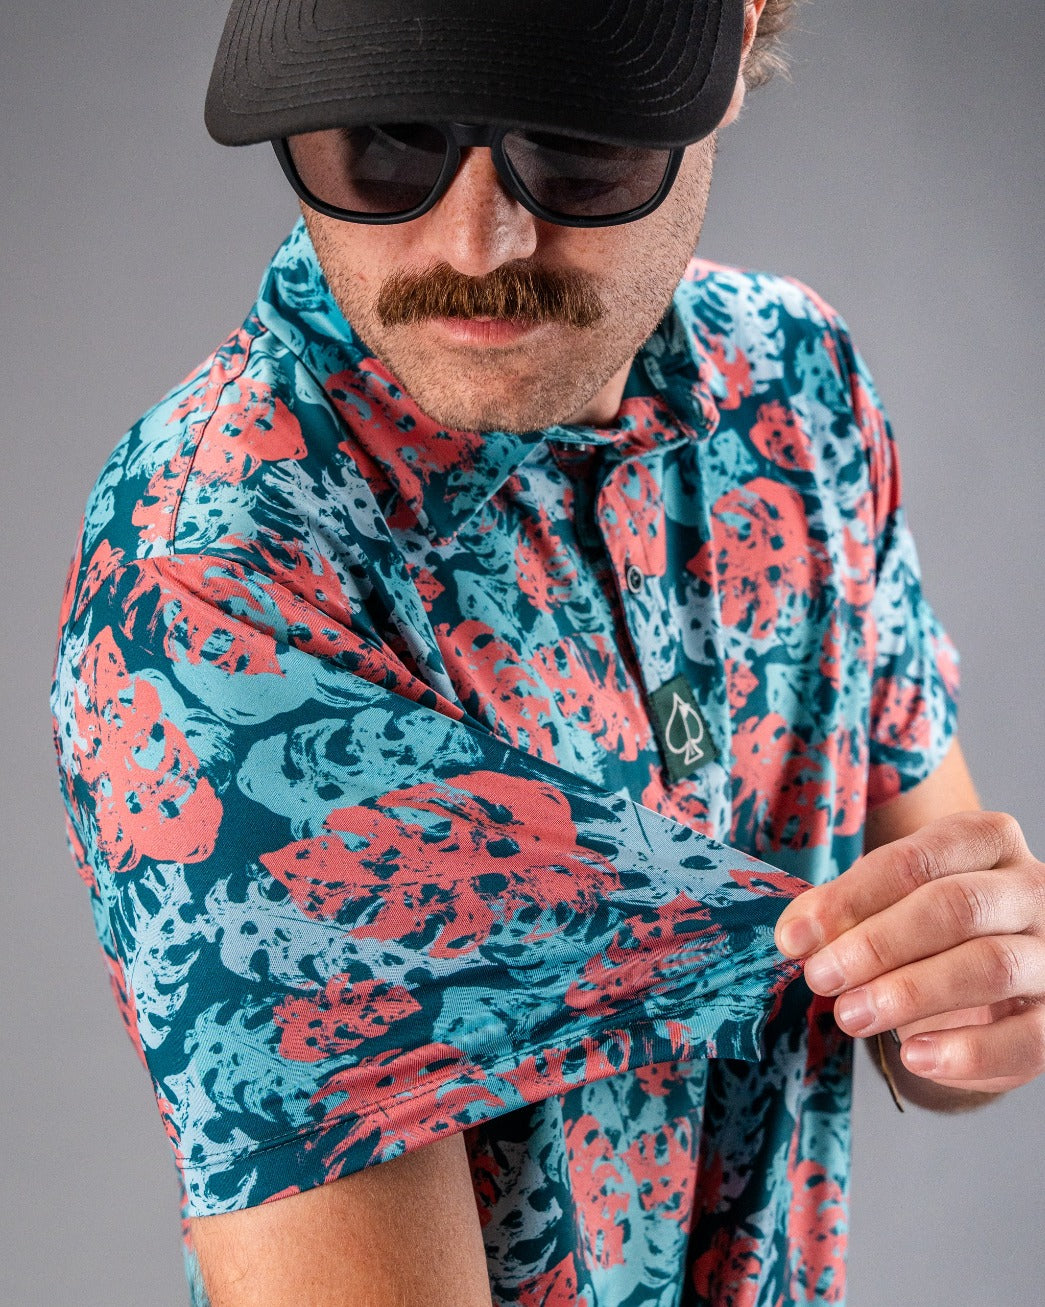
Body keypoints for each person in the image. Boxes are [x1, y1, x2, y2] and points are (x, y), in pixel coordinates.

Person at [50, 1, 1045, 1304]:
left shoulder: (795, 385)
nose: (477, 244)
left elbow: (937, 995)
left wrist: (980, 979)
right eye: (389, 139)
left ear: (738, 39)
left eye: (574, 144)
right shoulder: (216, 592)